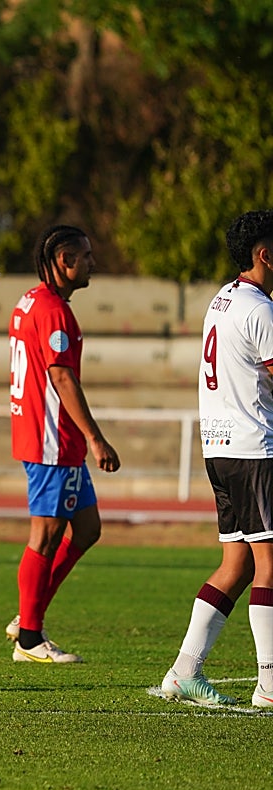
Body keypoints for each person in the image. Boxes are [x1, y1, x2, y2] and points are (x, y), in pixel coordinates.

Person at [161, 209, 273, 708]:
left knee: (238, 563)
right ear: (265, 254)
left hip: (221, 449)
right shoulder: (260, 309)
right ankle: (270, 683)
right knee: (270, 563)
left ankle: (185, 670)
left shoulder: (223, 300)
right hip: (255, 450)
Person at [6, 224, 120, 664]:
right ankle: (30, 640)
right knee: (46, 535)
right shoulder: (54, 311)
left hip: (46, 434)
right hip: (52, 437)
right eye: (86, 256)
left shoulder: (29, 300)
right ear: (63, 262)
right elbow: (60, 376)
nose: (93, 262)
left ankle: (27, 616)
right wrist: (96, 437)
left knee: (87, 528)